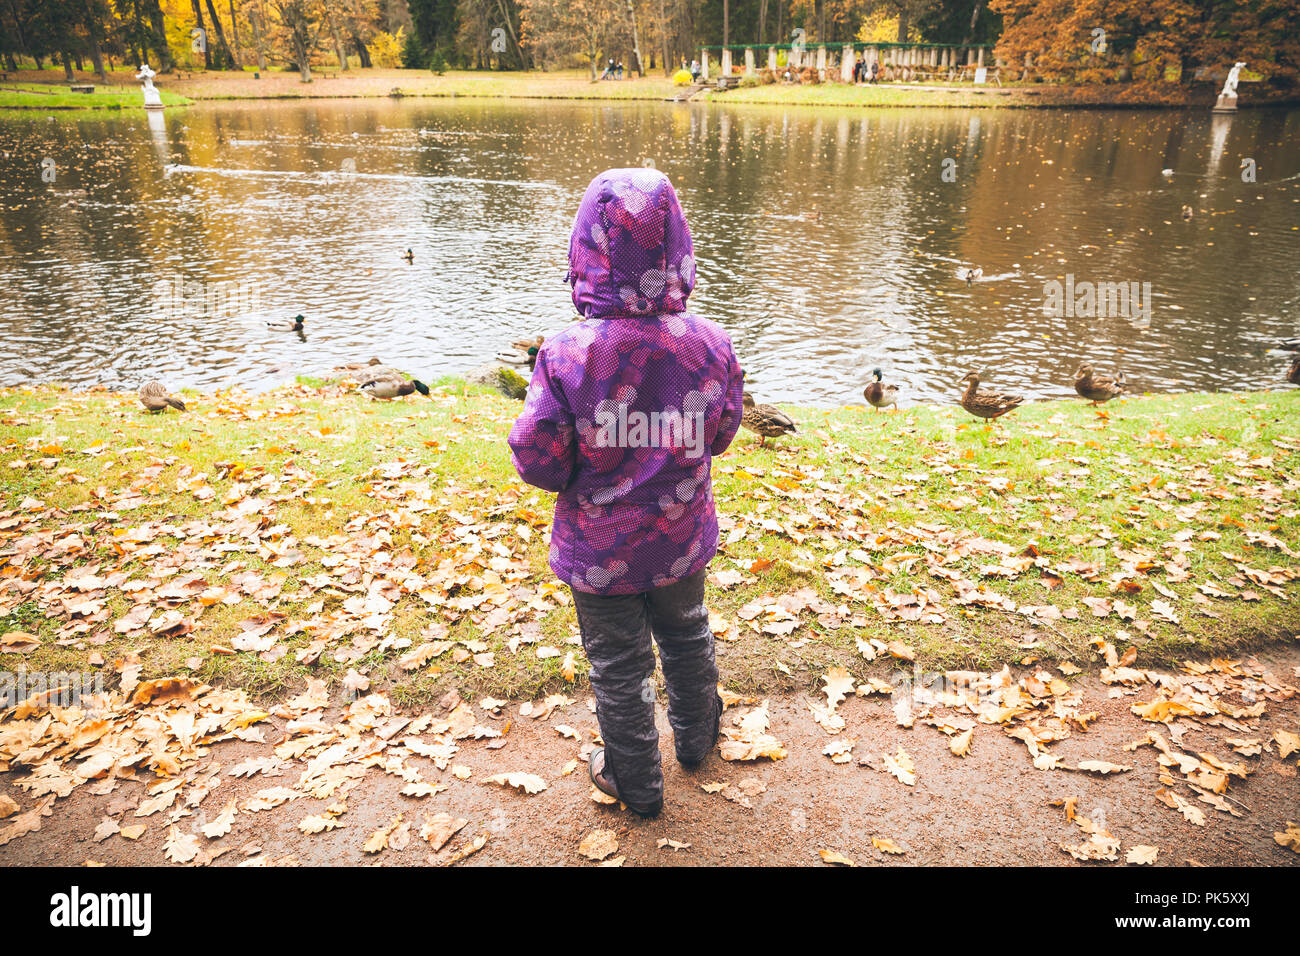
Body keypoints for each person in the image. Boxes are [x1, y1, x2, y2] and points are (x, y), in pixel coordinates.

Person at [508, 168, 745, 817]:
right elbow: (721, 431)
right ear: (677, 246)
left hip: (600, 552)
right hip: (678, 537)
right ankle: (698, 738)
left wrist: (586, 465)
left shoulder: (567, 353)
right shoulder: (709, 344)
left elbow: (539, 457)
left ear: (585, 250)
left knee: (620, 668)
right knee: (687, 632)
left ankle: (636, 783)